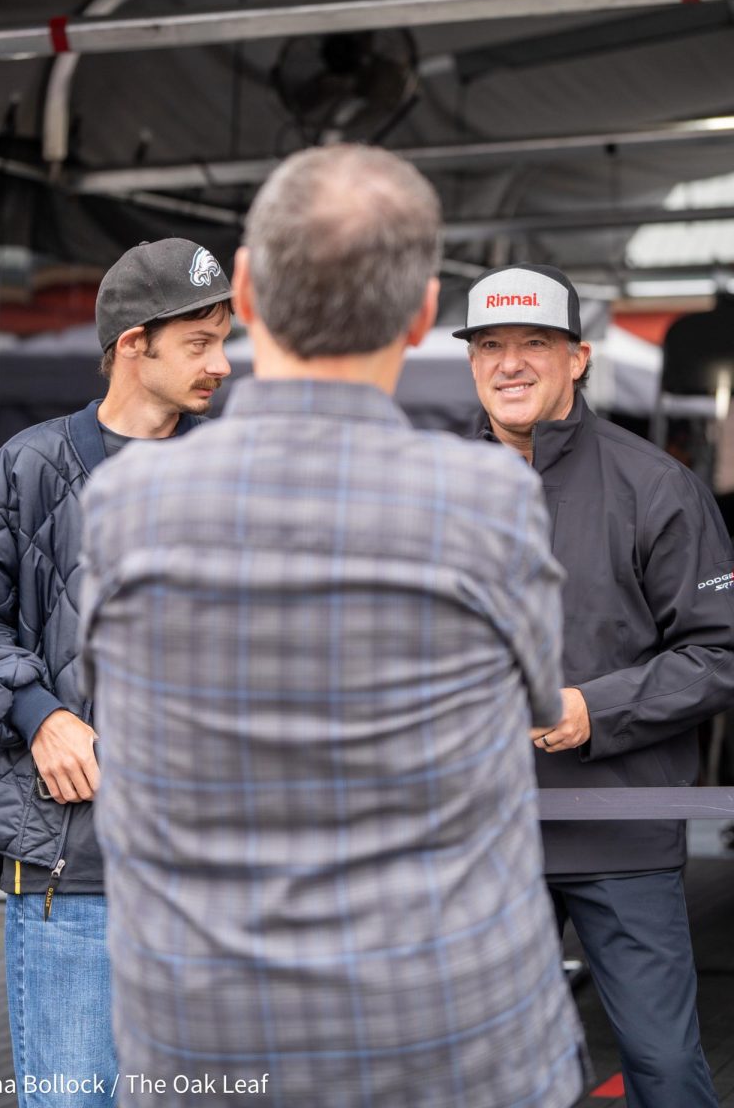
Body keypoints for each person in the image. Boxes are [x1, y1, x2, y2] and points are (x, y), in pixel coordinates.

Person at [80, 145, 587, 1108]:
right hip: (453, 1037)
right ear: (425, 312)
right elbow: (535, 693)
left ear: (246, 291)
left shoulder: (128, 501)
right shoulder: (488, 501)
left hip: (204, 1044)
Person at [0, 237, 233, 1107]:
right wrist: (37, 713)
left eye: (223, 340)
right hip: (75, 873)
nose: (220, 364)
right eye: (198, 343)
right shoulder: (29, 468)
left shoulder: (236, 473)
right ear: (133, 344)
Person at [455, 261, 734, 1108]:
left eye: (533, 344)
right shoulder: (435, 490)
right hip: (486, 839)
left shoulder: (656, 486)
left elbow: (720, 651)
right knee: (488, 1075)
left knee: (661, 1066)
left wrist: (592, 710)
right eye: (491, 346)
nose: (510, 363)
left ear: (578, 357)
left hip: (619, 835)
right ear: (471, 362)